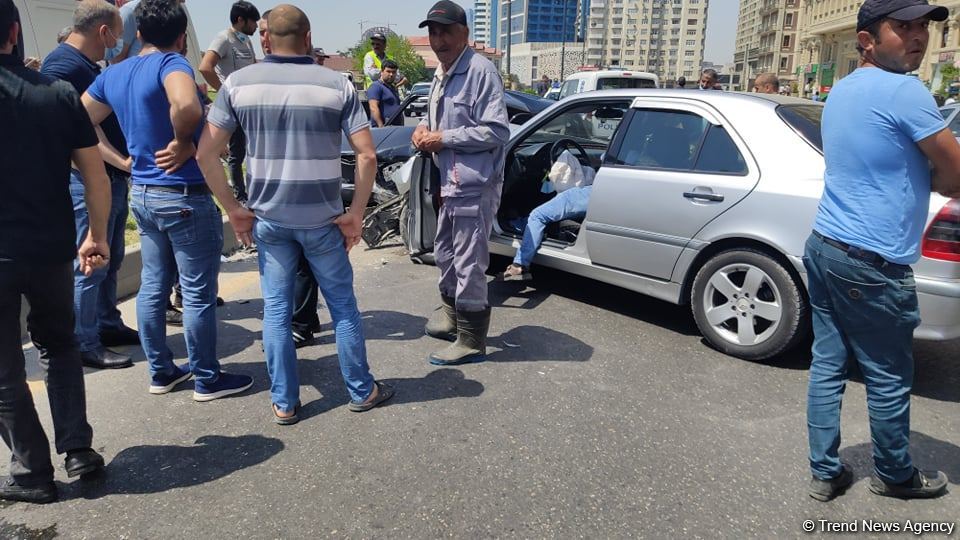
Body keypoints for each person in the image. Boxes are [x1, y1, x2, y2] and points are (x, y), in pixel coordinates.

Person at [197, 4, 394, 424]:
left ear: (266, 39)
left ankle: (285, 402)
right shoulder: (336, 85)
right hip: (323, 222)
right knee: (343, 308)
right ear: (308, 38)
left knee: (276, 312)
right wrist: (356, 213)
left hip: (270, 222)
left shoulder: (237, 85)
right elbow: (367, 155)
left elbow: (206, 154)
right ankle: (362, 389)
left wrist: (233, 209)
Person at [804, 0, 959, 502]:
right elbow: (956, 174)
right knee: (889, 376)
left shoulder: (844, 88)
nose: (918, 37)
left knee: (828, 364)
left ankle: (824, 473)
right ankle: (895, 476)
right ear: (867, 39)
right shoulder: (905, 91)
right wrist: (931, 174)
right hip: (873, 262)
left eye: (923, 27)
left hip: (825, 245)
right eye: (903, 27)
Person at [82, 0, 253, 401]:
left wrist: (120, 160)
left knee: (152, 287)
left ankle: (161, 372)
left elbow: (80, 119)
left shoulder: (116, 72)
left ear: (137, 32)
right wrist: (180, 141)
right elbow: (188, 105)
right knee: (196, 293)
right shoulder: (172, 65)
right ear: (180, 37)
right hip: (183, 195)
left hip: (142, 191)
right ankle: (207, 378)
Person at [0, 0, 109, 503]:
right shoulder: (59, 93)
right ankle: (78, 448)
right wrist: (98, 234)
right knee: (59, 344)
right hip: (50, 247)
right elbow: (94, 174)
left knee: (3, 366)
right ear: (15, 32)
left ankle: (33, 473)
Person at [42, 0, 138, 370]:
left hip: (107, 178)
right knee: (91, 261)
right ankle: (85, 341)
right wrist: (122, 161)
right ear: (104, 32)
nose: (118, 40)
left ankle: (106, 324)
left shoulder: (84, 66)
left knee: (108, 260)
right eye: (117, 32)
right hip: (87, 180)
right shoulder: (62, 67)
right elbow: (77, 130)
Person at [413, 0, 510, 366]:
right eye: (433, 32)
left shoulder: (481, 72)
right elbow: (432, 120)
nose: (438, 40)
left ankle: (471, 339)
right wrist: (422, 131)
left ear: (464, 34)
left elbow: (497, 130)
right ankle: (453, 318)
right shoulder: (442, 72)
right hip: (448, 183)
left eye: (445, 32)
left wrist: (444, 138)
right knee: (446, 254)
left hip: (474, 184)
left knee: (470, 262)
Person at [199, 0, 259, 204]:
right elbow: (205, 67)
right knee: (236, 153)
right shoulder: (224, 38)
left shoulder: (246, 42)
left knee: (250, 151)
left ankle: (251, 192)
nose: (257, 26)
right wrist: (225, 92)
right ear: (240, 20)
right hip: (233, 106)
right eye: (253, 22)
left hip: (248, 104)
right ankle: (239, 196)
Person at [368, 59, 403, 127]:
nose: (391, 74)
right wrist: (380, 125)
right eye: (388, 71)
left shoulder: (392, 88)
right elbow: (373, 107)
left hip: (395, 128)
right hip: (383, 129)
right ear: (382, 72)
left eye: (394, 72)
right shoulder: (376, 86)